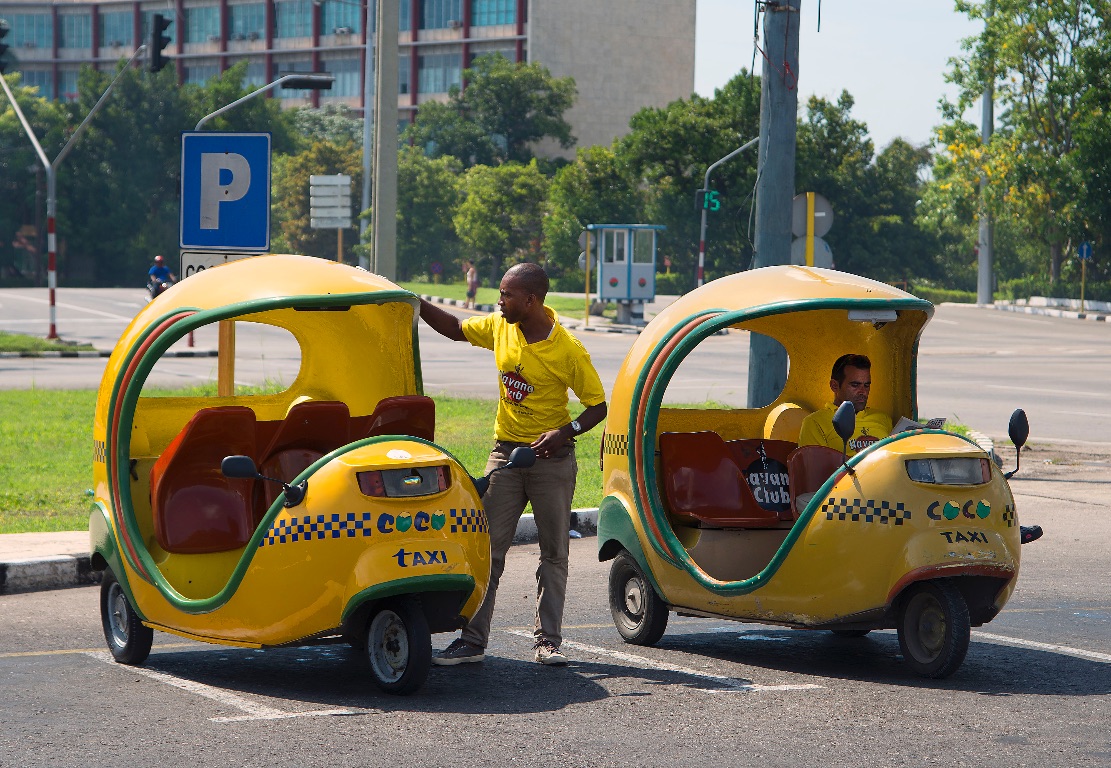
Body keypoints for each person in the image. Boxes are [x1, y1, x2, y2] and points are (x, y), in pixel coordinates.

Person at [419, 262, 608, 666]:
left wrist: (565, 431)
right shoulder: (501, 326)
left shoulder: (568, 350)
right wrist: (415, 303)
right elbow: (455, 328)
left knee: (554, 552)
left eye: (506, 295)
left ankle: (548, 641)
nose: (499, 301)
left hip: (551, 463)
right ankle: (472, 641)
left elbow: (597, 405)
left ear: (531, 300)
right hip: (504, 456)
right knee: (488, 550)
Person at [798, 353, 1043, 544]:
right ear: (834, 385)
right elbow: (816, 473)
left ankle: (999, 527)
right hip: (851, 492)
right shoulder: (817, 421)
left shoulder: (881, 419)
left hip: (891, 487)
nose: (862, 391)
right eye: (855, 385)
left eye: (867, 385)